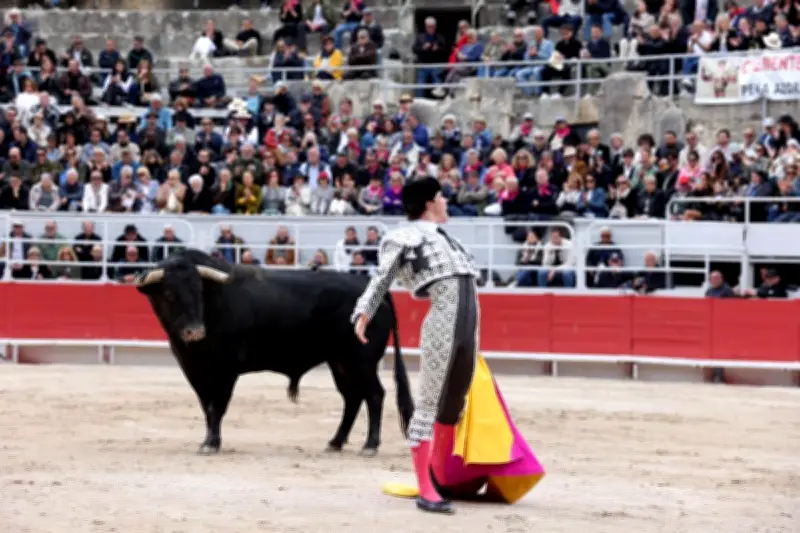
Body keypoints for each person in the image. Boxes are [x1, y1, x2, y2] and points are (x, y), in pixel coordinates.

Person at [351, 177, 479, 515]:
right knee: (428, 404)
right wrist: (364, 309)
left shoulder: (448, 239)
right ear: (429, 202)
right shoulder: (404, 235)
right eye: (441, 196)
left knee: (454, 404)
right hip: (442, 326)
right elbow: (383, 275)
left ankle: (441, 477)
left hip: (468, 328)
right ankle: (426, 488)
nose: (446, 202)